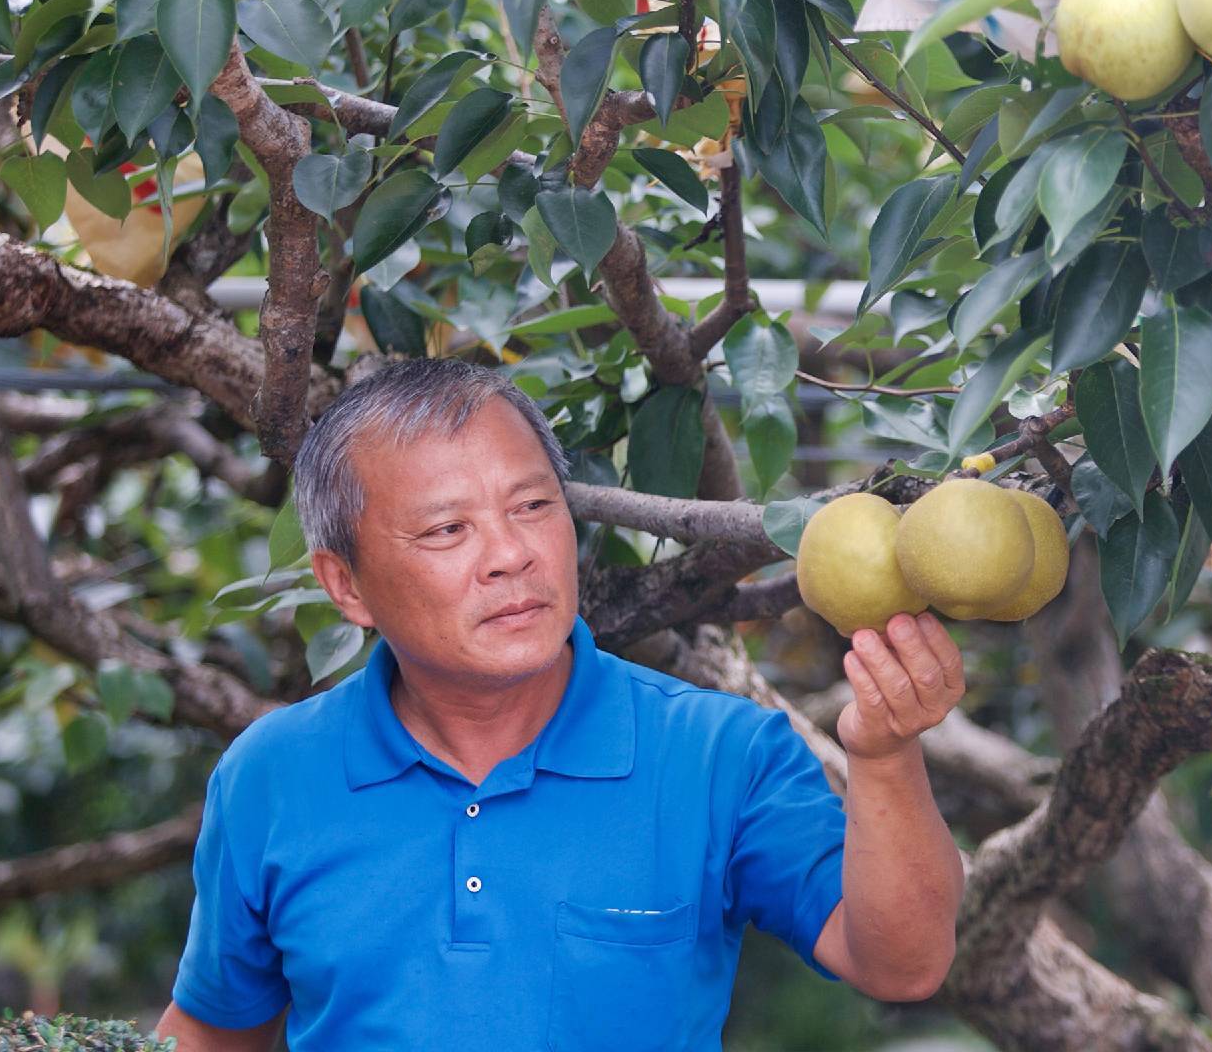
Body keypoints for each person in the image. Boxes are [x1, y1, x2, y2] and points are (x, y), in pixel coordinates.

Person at [153, 359, 966, 1050]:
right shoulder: (272, 773)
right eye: (446, 530)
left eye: (534, 506)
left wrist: (885, 755)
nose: (510, 555)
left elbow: (902, 962)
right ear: (346, 585)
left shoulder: (721, 752)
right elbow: (214, 1031)